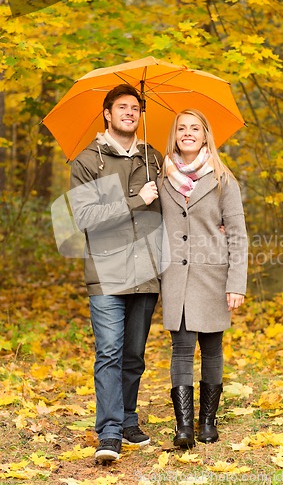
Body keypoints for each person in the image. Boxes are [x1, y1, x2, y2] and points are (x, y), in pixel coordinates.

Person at [69, 84, 163, 462]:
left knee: (134, 354)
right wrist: (136, 200)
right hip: (106, 271)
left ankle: (127, 419)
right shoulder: (88, 161)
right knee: (109, 352)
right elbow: (84, 219)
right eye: (121, 107)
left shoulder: (152, 157)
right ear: (106, 114)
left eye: (135, 107)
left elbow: (173, 208)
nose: (130, 112)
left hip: (147, 270)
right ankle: (108, 432)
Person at [159, 109, 248, 447]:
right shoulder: (162, 177)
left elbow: (237, 234)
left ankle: (208, 422)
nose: (188, 133)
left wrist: (236, 283)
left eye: (195, 128)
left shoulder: (223, 179)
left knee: (212, 349)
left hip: (213, 274)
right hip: (176, 277)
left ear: (205, 135)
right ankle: (183, 429)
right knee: (181, 348)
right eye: (182, 128)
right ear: (174, 135)